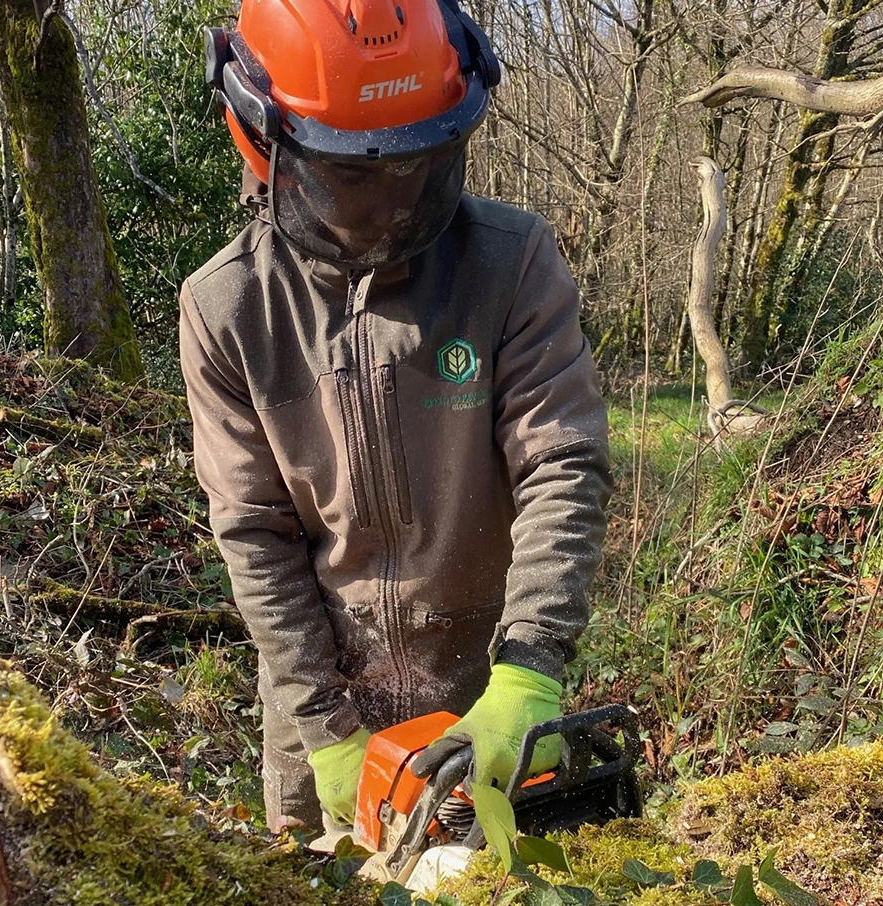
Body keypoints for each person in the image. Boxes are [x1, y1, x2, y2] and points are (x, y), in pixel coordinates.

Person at [180, 0, 611, 832]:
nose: (393, 200)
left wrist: (528, 669)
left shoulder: (509, 265)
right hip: (323, 703)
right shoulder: (230, 308)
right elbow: (255, 530)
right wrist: (327, 730)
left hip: (484, 685)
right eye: (355, 173)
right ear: (264, 138)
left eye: (414, 165)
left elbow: (561, 460)